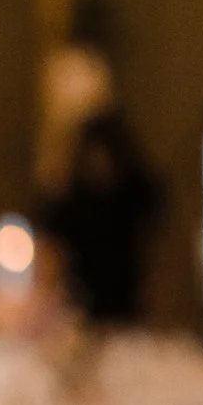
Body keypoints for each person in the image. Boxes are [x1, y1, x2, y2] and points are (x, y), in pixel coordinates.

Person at [41, 108, 162, 326]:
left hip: (126, 300)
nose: (98, 162)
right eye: (92, 154)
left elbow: (157, 245)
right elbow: (54, 250)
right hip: (79, 301)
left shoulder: (134, 196)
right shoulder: (71, 201)